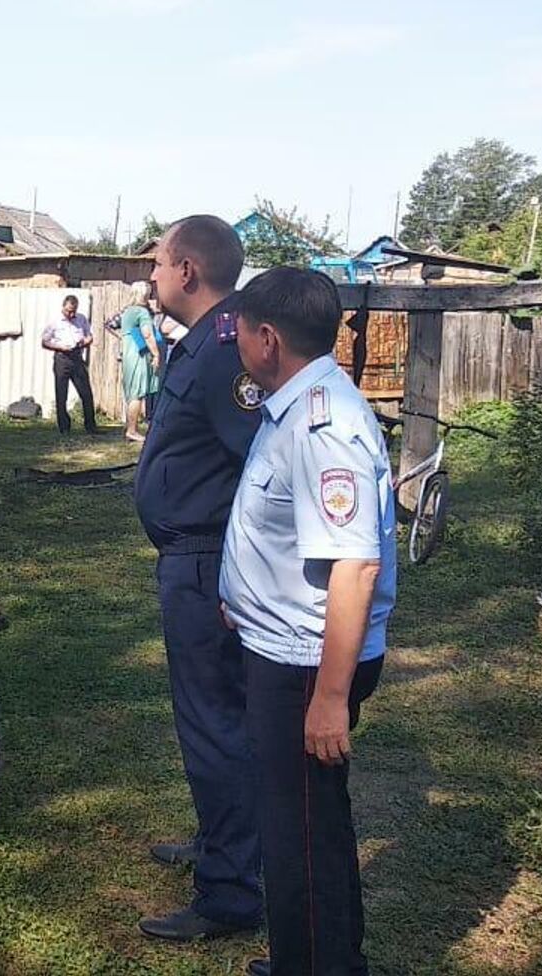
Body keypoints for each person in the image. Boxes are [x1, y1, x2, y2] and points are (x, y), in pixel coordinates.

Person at [221, 267, 397, 976]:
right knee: (308, 823)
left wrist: (329, 697)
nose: (231, 341)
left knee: (297, 837)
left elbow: (355, 567)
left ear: (267, 339)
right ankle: (321, 959)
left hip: (305, 665)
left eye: (237, 331)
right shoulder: (294, 406)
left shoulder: (326, 425)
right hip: (284, 650)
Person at [132, 215, 265, 943]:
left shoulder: (226, 350)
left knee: (217, 726)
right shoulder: (206, 344)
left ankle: (230, 892)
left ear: (187, 270)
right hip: (194, 557)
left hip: (211, 564)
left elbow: (261, 466)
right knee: (214, 724)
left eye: (157, 265)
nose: (151, 278)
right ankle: (223, 842)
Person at [39, 294, 98, 435]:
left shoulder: (81, 319)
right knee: (61, 394)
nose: (70, 314)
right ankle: (64, 427)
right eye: (68, 311)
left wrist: (86, 341)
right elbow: (44, 341)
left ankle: (90, 426)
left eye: (73, 311)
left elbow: (89, 335)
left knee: (86, 394)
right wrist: (59, 347)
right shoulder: (55, 321)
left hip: (77, 357)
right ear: (63, 307)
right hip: (62, 358)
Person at [116, 282, 163, 442]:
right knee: (138, 392)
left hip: (129, 353)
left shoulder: (128, 311)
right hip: (139, 355)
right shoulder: (142, 312)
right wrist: (156, 354)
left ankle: (130, 426)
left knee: (132, 392)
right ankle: (132, 430)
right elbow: (148, 334)